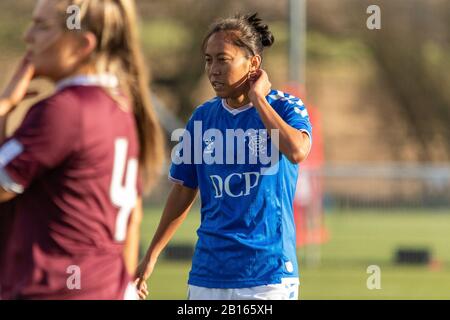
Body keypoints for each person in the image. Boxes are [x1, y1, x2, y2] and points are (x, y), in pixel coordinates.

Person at [136, 13, 312, 300]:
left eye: (223, 59)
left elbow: (297, 151)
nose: (213, 70)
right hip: (208, 274)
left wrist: (259, 101)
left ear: (253, 63)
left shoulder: (284, 107)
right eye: (208, 60)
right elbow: (183, 191)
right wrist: (151, 256)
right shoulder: (203, 118)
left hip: (267, 275)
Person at [0, 0, 164, 300]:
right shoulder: (118, 106)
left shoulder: (67, 109)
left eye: (42, 26)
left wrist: (5, 104)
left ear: (81, 45)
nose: (28, 36)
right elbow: (133, 218)